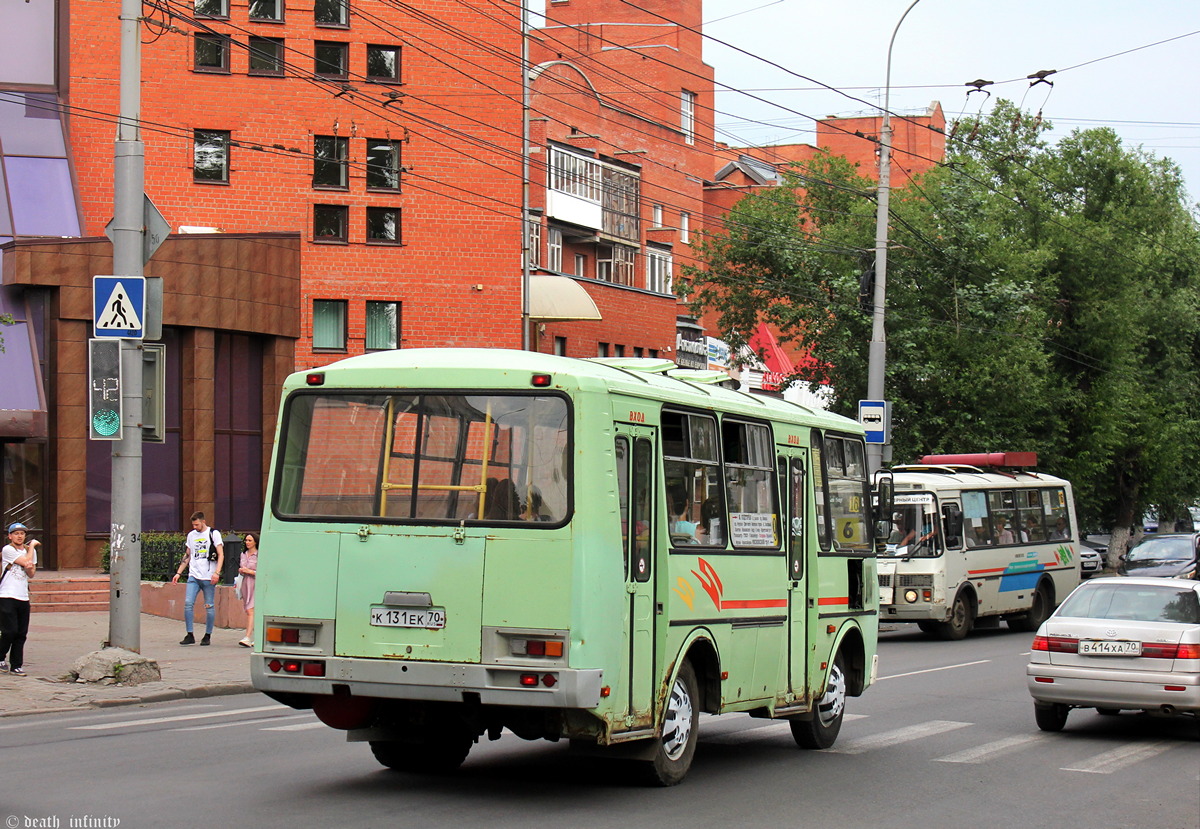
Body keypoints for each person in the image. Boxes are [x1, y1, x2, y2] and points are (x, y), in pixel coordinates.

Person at [171, 511, 224, 646]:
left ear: (203, 521)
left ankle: (207, 635)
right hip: (193, 575)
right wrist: (178, 573)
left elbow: (221, 554)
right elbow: (188, 555)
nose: (195, 527)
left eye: (197, 524)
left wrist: (217, 572)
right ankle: (190, 634)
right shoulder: (191, 535)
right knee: (188, 603)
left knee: (209, 605)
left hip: (208, 575)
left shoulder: (213, 534)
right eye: (193, 525)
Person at [0, 522, 38, 676]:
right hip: (7, 595)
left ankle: (16, 665)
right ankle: (1, 656)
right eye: (16, 533)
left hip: (23, 596)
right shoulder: (8, 550)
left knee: (21, 633)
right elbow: (26, 562)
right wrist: (33, 546)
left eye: (22, 533)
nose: (20, 536)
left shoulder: (29, 551)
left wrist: (29, 564)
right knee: (9, 631)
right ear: (10, 536)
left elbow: (31, 572)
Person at [238, 532, 258, 648]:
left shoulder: (258, 554)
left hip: (255, 583)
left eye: (250, 540)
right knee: (250, 610)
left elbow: (262, 571)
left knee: (251, 610)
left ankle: (247, 636)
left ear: (255, 541)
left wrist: (249, 571)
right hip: (246, 584)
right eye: (246, 540)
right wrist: (242, 570)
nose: (247, 542)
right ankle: (257, 636)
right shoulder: (243, 554)